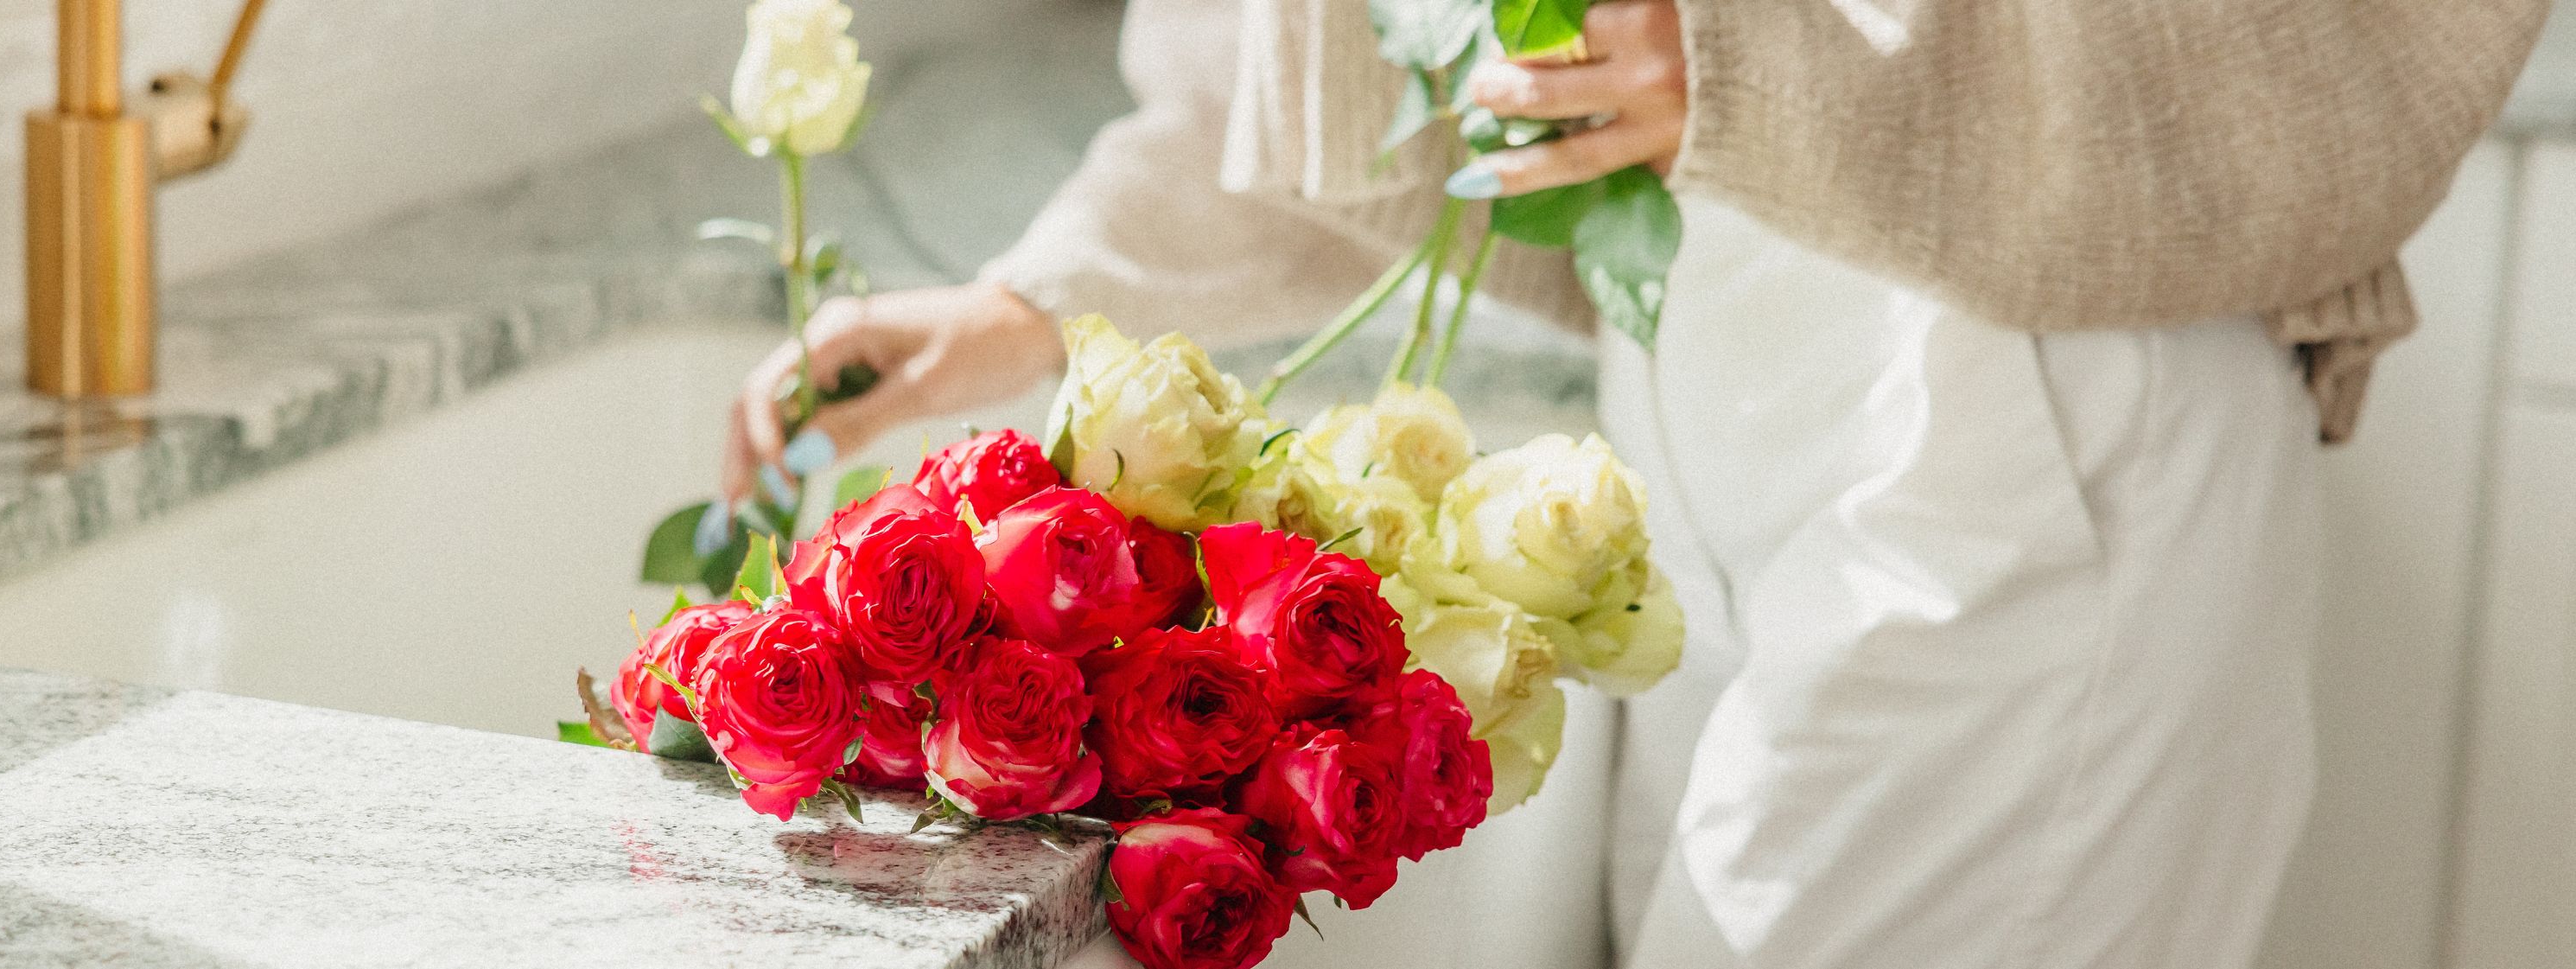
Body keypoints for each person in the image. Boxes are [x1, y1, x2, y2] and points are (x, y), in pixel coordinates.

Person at [721, 1, 2551, 966]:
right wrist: (1039, 301)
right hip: (1723, 399)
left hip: (2027, 406)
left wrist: (1802, 66)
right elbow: (1335, 56)